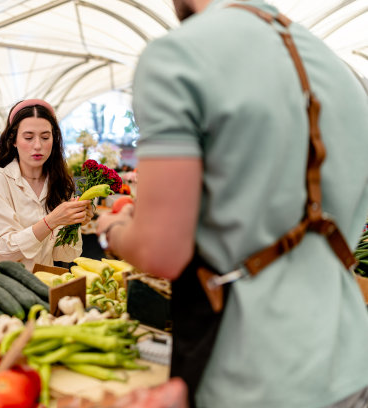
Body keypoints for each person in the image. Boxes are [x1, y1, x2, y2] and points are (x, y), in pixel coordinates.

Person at [97, 1, 368, 407]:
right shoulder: (337, 69)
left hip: (251, 374)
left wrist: (112, 232)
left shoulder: (177, 55)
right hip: (349, 362)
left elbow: (161, 251)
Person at [0, 99, 93, 272]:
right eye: (28, 137)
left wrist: (73, 224)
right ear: (13, 140)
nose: (37, 145)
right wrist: (51, 221)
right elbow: (4, 251)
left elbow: (65, 255)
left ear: (54, 139)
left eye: (45, 137)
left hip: (42, 285)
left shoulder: (60, 184)